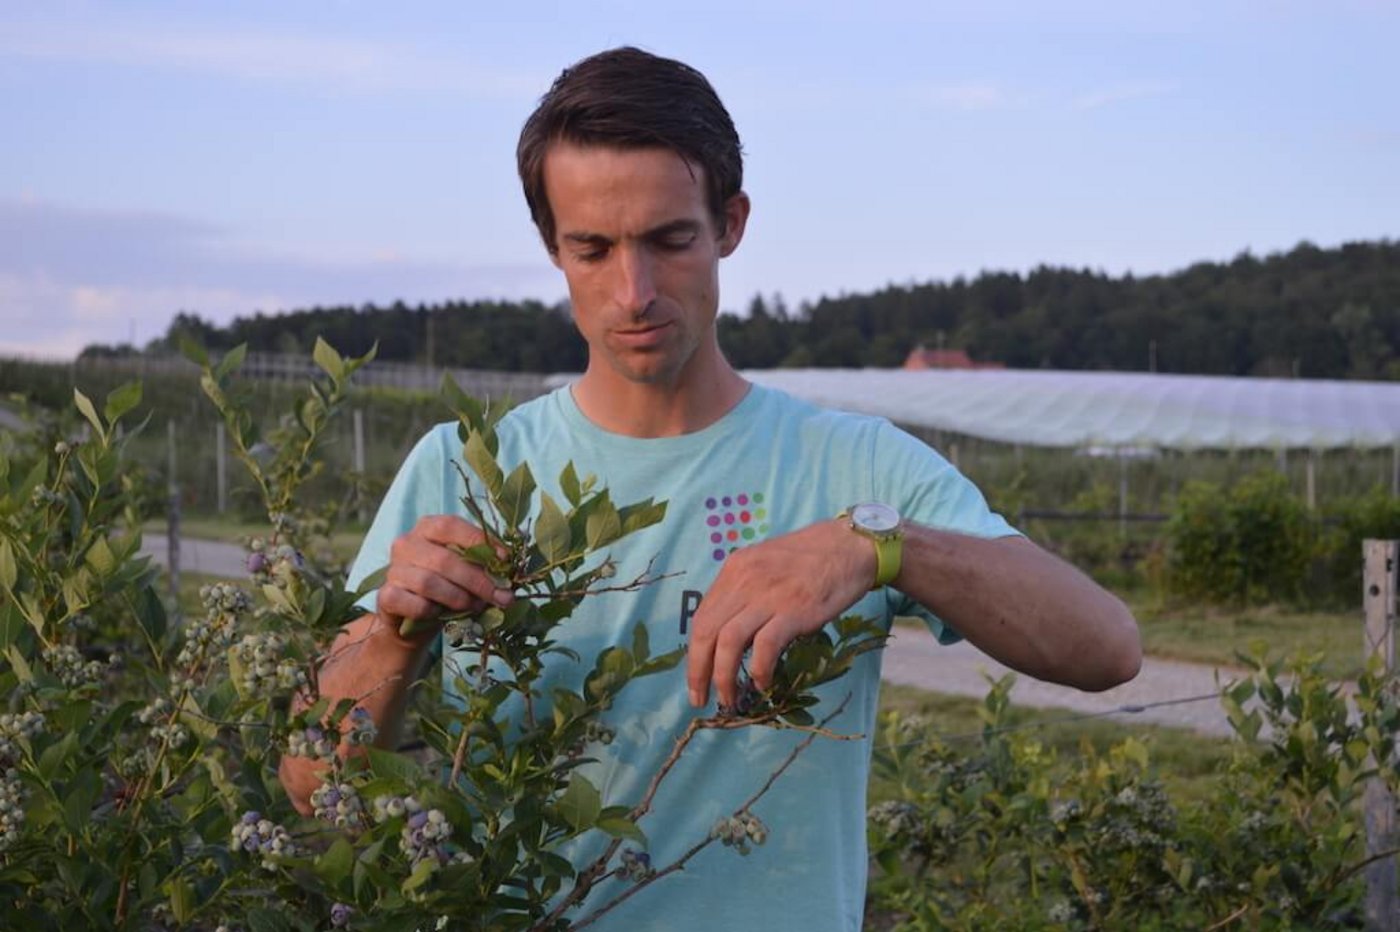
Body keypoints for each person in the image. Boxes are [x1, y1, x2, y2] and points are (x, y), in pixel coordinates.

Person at [281, 46, 1141, 930]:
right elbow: (314, 788)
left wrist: (882, 548)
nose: (635, 291)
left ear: (729, 223)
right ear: (552, 247)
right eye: (593, 249)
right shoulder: (466, 469)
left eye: (670, 240)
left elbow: (1105, 648)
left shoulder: (855, 469)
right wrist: (392, 634)